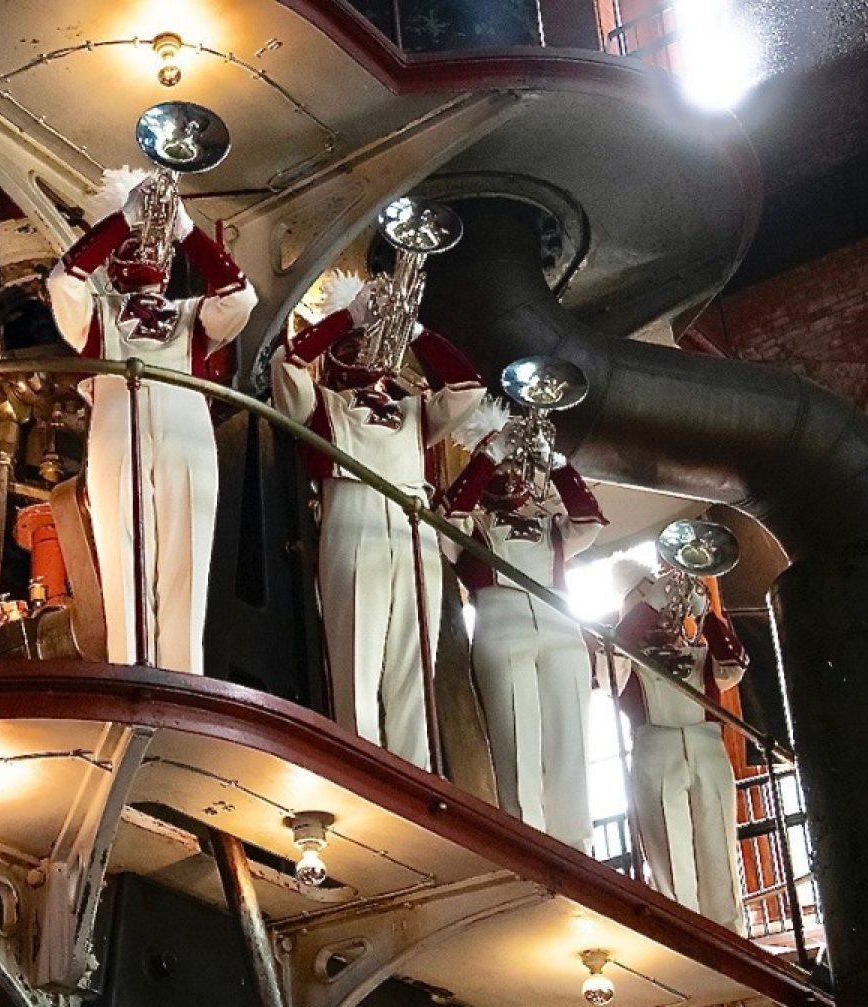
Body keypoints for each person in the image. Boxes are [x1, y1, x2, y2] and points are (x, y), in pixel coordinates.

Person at [268, 271, 485, 769]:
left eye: (372, 342)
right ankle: (360, 764)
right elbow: (288, 364)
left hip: (414, 524)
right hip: (353, 508)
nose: (366, 351)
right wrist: (347, 315)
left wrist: (411, 329)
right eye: (355, 343)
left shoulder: (414, 411)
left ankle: (415, 771)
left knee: (415, 660)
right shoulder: (321, 403)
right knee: (356, 658)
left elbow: (468, 389)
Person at [45, 168, 257, 672]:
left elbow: (241, 297)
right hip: (118, 435)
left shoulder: (192, 315)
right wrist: (123, 220)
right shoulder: (94, 314)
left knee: (187, 561)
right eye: (130, 247)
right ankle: (133, 677)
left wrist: (185, 230)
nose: (143, 254)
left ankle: (184, 682)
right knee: (124, 565)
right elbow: (62, 279)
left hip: (188, 439)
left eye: (152, 246)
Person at [443, 431, 607, 846]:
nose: (512, 473)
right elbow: (445, 527)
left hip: (560, 625)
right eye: (505, 466)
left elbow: (589, 522)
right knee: (516, 746)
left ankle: (578, 849)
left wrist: (556, 464)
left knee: (570, 746)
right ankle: (528, 846)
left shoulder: (550, 524)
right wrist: (486, 457)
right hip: (501, 622)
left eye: (516, 466)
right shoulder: (473, 522)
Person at [610, 562, 749, 931]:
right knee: (671, 863)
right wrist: (650, 605)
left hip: (707, 747)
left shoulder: (698, 651)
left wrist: (707, 615)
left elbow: (734, 665)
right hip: (656, 748)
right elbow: (612, 658)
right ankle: (685, 938)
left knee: (719, 850)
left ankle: (732, 936)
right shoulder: (624, 654)